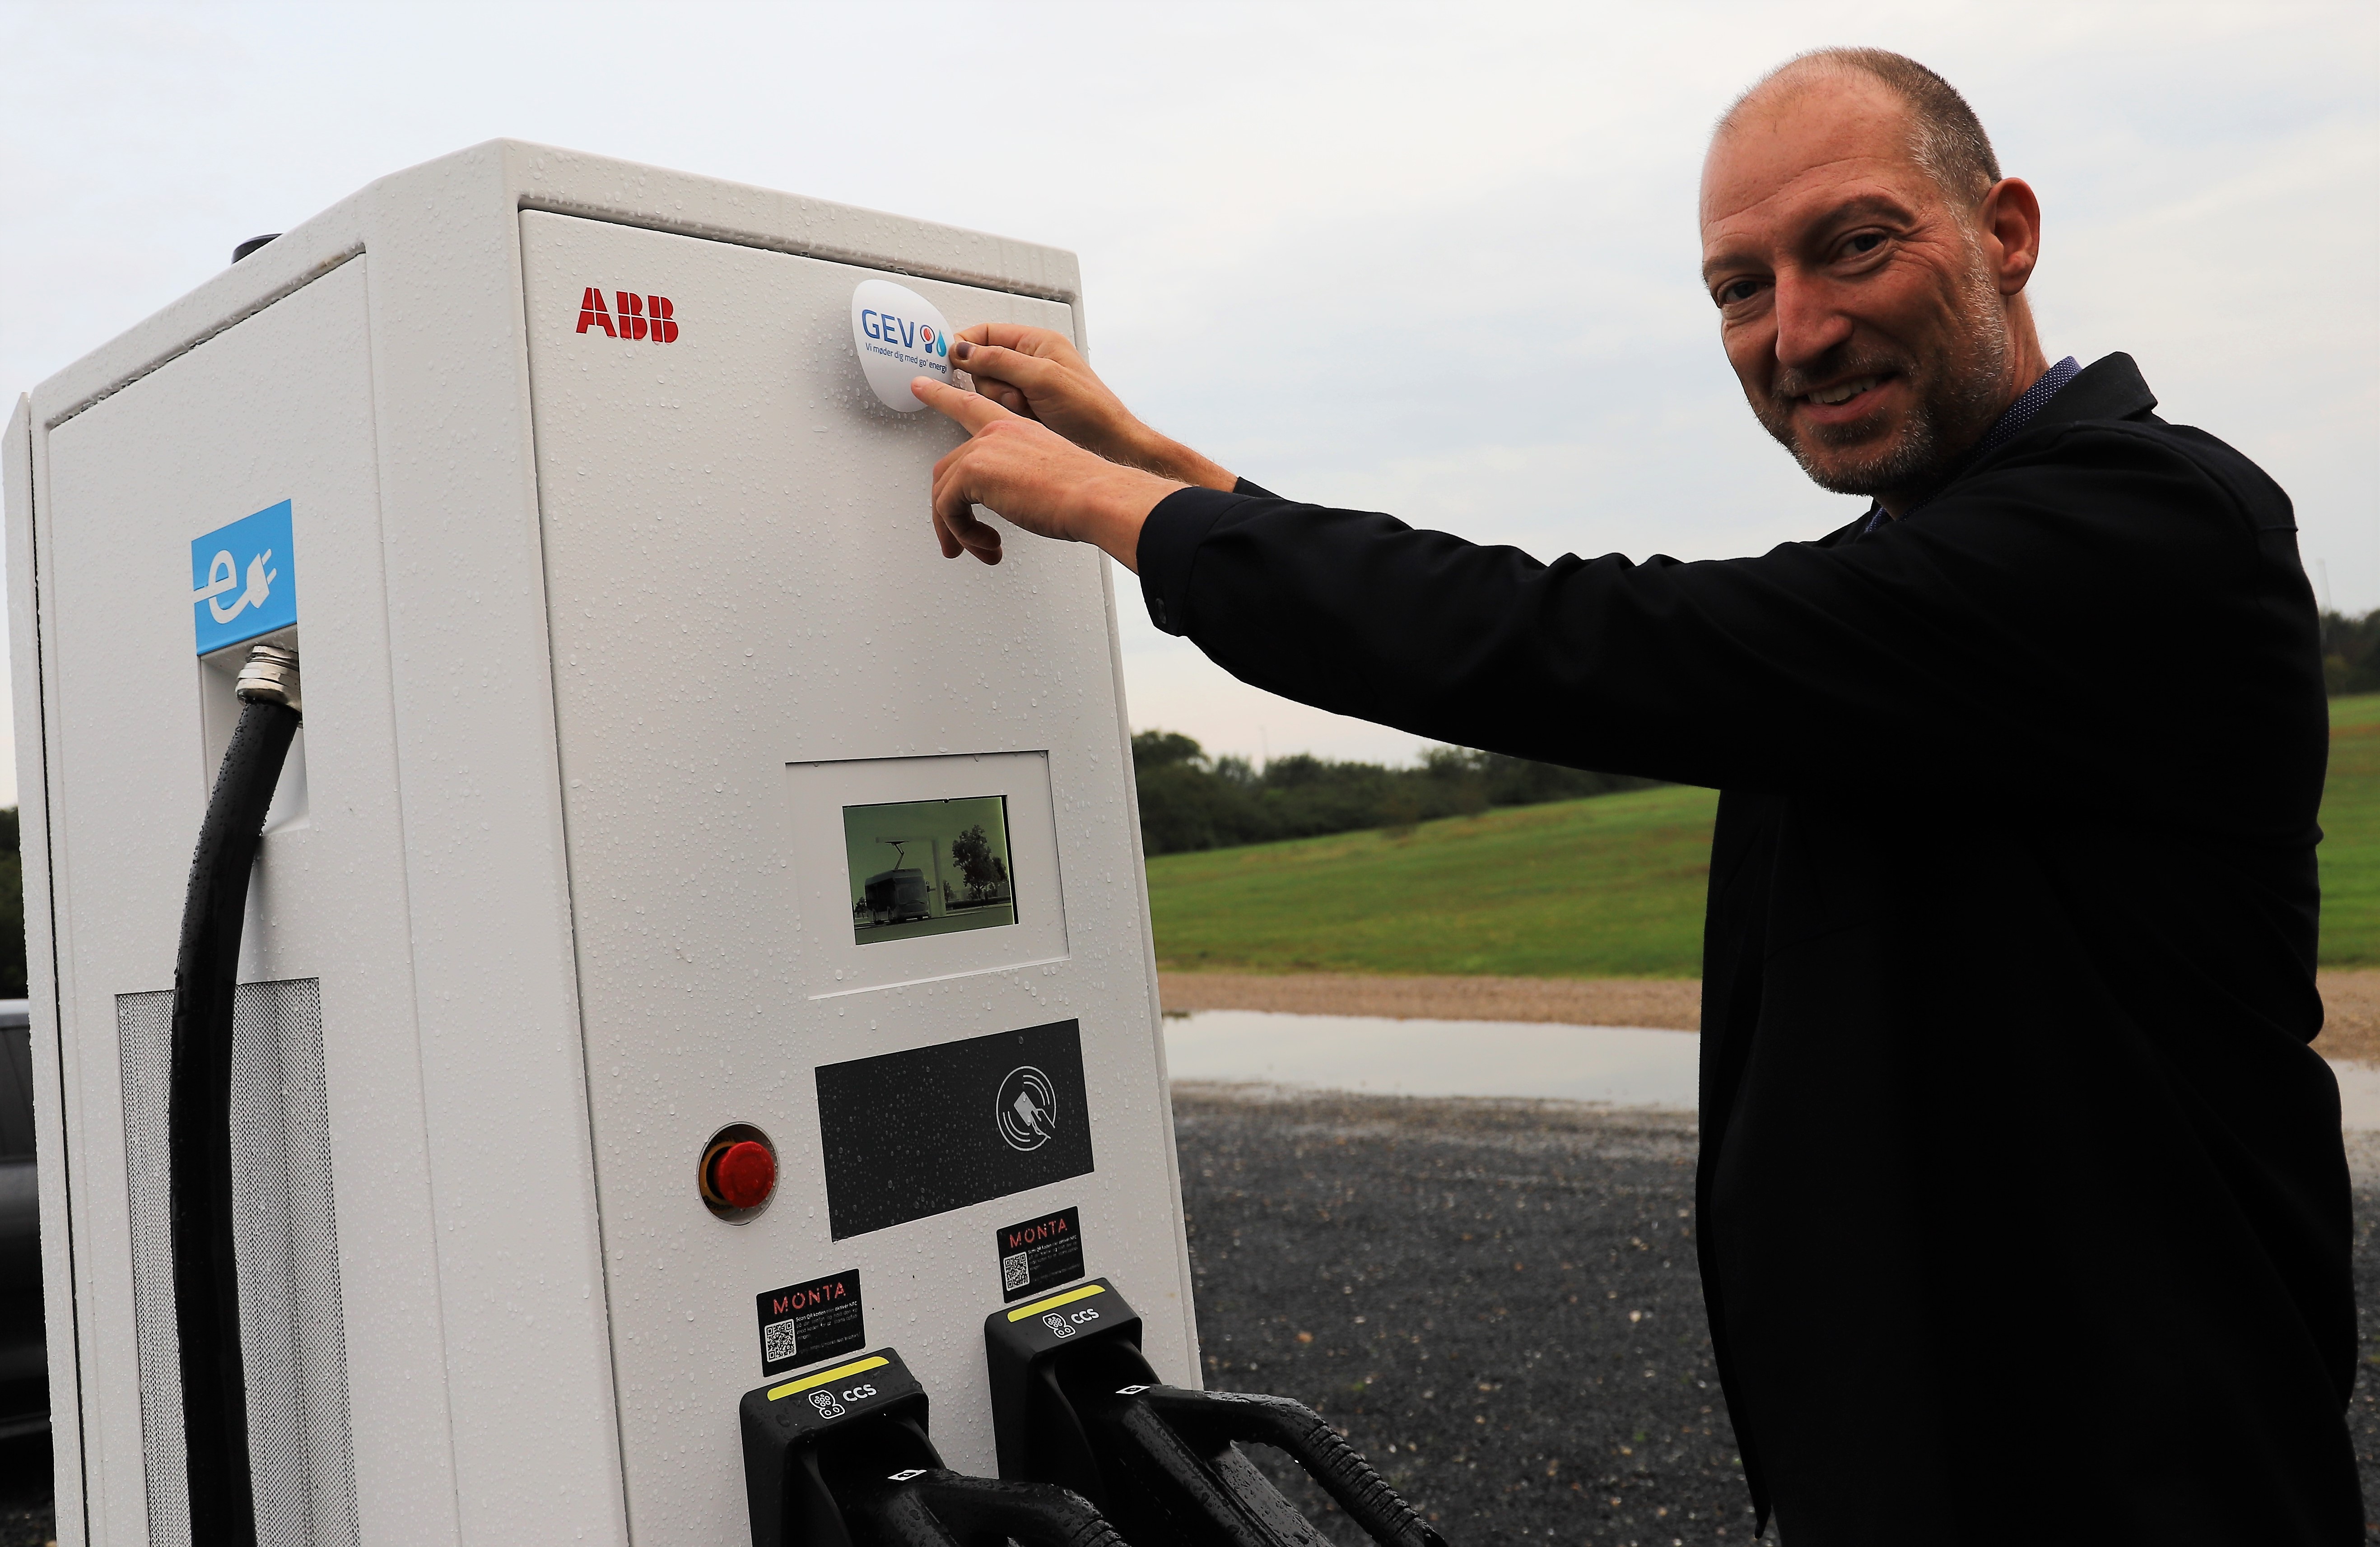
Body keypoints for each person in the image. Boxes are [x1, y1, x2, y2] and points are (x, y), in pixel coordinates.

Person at [905, 47, 2359, 1543]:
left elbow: (1583, 643)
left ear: (2006, 232)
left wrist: (1133, 516)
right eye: (1740, 287)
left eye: (1854, 246)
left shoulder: (2149, 526)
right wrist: (1170, 471)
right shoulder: (1912, 584)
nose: (1796, 329)